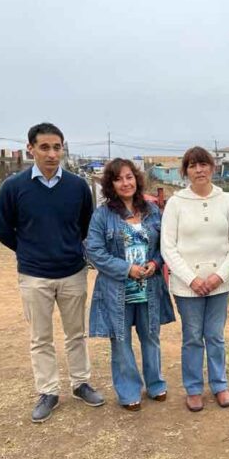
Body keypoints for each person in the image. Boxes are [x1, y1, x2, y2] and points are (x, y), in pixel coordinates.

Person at [0, 122, 105, 423]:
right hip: (34, 275)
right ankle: (48, 391)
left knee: (76, 334)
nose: (52, 153)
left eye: (57, 147)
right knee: (40, 337)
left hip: (72, 272)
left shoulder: (77, 186)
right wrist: (30, 251)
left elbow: (85, 226)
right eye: (44, 147)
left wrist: (69, 250)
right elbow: (4, 231)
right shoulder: (13, 187)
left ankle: (81, 383)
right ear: (30, 148)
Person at [86, 158, 175, 411]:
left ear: (136, 179)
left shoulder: (152, 211)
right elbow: (94, 251)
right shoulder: (103, 215)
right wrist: (127, 269)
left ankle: (156, 384)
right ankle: (128, 391)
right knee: (121, 340)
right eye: (118, 179)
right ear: (110, 185)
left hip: (150, 287)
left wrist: (155, 265)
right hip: (117, 290)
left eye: (129, 177)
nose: (125, 183)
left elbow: (164, 247)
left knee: (151, 337)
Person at [161, 146, 229, 412]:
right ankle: (194, 388)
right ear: (186, 171)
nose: (199, 170)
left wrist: (219, 276)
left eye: (204, 164)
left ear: (212, 167)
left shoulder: (227, 201)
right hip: (187, 287)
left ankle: (219, 384)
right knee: (193, 336)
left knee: (215, 336)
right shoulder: (176, 203)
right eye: (193, 165)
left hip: (220, 284)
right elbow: (168, 248)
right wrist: (192, 279)